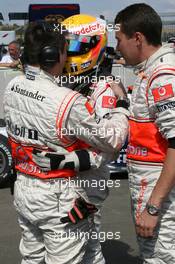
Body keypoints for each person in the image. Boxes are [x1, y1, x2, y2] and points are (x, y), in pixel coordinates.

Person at [3, 21, 129, 264]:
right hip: (59, 199)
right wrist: (122, 106)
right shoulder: (68, 100)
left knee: (33, 259)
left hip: (24, 191)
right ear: (52, 55)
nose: (69, 54)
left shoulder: (12, 86)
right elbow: (111, 141)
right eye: (66, 49)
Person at [115, 3, 175, 263]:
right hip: (149, 191)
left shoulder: (162, 75)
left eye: (118, 39)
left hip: (161, 200)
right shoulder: (149, 70)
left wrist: (152, 207)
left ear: (137, 38)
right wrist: (123, 103)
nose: (116, 47)